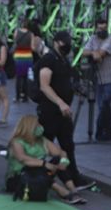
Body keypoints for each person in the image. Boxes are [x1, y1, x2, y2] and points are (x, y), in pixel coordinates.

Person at [35, 31, 93, 189]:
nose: (66, 45)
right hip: (50, 111)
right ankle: (38, 175)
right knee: (45, 144)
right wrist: (60, 102)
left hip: (63, 112)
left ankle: (74, 178)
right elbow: (44, 85)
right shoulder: (49, 60)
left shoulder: (63, 60)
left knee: (68, 145)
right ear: (55, 42)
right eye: (63, 42)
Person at [5, 114, 86, 205]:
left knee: (57, 160)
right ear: (30, 127)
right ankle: (62, 192)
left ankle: (73, 189)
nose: (40, 127)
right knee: (36, 169)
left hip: (40, 173)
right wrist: (44, 164)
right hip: (19, 176)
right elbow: (23, 159)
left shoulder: (42, 141)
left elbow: (61, 153)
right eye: (38, 125)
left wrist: (63, 162)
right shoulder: (16, 141)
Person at [82, 20, 111, 143]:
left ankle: (102, 131)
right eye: (100, 28)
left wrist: (94, 53)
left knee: (104, 103)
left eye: (104, 28)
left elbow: (101, 54)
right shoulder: (93, 38)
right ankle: (107, 132)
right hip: (99, 78)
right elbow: (84, 52)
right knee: (102, 106)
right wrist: (93, 53)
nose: (102, 31)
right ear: (96, 29)